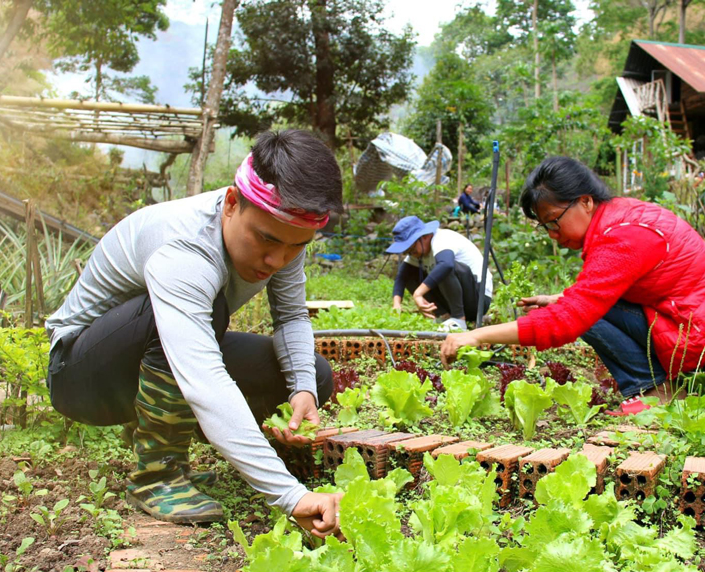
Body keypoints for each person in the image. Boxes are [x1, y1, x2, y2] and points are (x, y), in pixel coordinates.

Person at [45, 130, 342, 537]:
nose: (278, 260)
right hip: (80, 376)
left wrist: (303, 390)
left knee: (315, 374)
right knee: (206, 311)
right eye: (267, 240)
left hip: (144, 359)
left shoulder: (285, 232)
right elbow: (202, 377)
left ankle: (168, 443)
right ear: (232, 204)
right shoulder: (186, 249)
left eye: (296, 246)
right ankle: (156, 475)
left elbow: (290, 317)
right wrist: (290, 496)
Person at [440, 156, 705, 416]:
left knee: (585, 316)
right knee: (579, 307)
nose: (552, 233)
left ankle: (656, 392)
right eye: (544, 226)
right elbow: (607, 290)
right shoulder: (620, 216)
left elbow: (571, 319)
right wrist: (558, 298)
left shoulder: (621, 237)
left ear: (585, 202)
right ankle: (659, 385)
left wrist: (476, 335)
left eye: (553, 221)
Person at [389, 216, 493, 332]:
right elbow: (402, 277)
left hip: (478, 301)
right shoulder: (419, 251)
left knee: (443, 268)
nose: (412, 254)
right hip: (457, 302)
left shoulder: (442, 239)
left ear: (425, 236)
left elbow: (446, 265)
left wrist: (418, 293)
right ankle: (444, 317)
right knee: (409, 273)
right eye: (407, 252)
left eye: (412, 250)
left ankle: (458, 319)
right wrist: (396, 305)